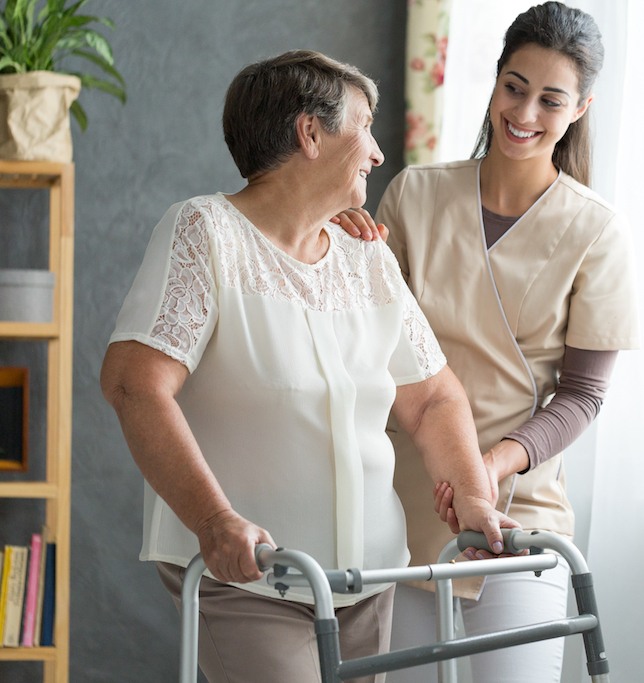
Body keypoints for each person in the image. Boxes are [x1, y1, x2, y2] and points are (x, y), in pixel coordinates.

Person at [100, 50, 513, 683]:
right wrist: (215, 522)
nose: (377, 153)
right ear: (310, 133)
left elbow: (432, 399)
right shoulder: (205, 233)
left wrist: (475, 497)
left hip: (368, 578)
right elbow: (134, 384)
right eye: (365, 127)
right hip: (250, 577)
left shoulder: (364, 254)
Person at [336, 4, 640, 681]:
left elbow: (585, 395)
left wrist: (494, 464)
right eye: (514, 86)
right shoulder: (414, 195)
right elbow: (366, 344)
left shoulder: (597, 232)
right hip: (407, 512)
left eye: (550, 98)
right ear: (496, 80)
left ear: (581, 107)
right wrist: (338, 252)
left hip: (519, 517)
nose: (525, 111)